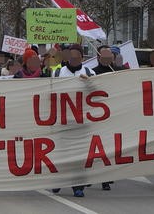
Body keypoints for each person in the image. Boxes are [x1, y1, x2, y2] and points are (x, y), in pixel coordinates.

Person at [52, 44, 95, 197]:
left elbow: (98, 94)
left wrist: (89, 83)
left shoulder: (90, 73)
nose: (74, 58)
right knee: (61, 153)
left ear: (82, 58)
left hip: (82, 121)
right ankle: (59, 181)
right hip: (63, 120)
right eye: (71, 56)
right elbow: (51, 93)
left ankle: (78, 186)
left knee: (79, 155)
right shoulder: (58, 72)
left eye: (77, 56)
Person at [91, 45, 123, 191]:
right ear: (98, 57)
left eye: (110, 57)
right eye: (104, 56)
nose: (108, 59)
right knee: (93, 148)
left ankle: (104, 178)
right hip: (96, 115)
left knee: (108, 149)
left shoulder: (117, 73)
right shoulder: (92, 73)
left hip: (112, 116)